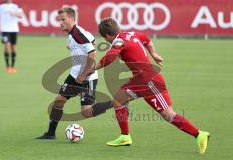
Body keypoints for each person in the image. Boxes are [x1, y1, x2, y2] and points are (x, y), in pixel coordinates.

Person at [82, 17, 210, 154]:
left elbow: (110, 58)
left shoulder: (118, 41)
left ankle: (199, 134)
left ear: (107, 36)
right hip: (140, 80)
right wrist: (154, 54)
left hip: (150, 82)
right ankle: (125, 136)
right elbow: (146, 39)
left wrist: (92, 68)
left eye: (105, 38)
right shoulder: (131, 34)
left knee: (169, 115)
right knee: (118, 100)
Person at [36, 7, 99, 140]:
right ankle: (50, 134)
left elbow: (93, 52)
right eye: (59, 20)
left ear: (72, 19)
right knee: (58, 101)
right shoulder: (73, 34)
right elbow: (92, 40)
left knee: (86, 112)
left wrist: (84, 73)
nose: (61, 23)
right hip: (74, 75)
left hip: (87, 77)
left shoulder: (77, 34)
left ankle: (113, 103)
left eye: (63, 20)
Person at [0, 0, 23, 73]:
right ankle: (7, 66)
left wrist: (13, 13)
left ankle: (13, 66)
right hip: (4, 29)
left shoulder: (16, 6)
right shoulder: (0, 6)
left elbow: (21, 15)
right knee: (7, 46)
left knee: (13, 47)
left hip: (14, 29)